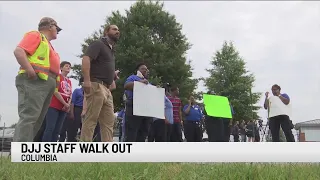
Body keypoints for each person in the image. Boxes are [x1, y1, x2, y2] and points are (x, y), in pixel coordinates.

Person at [13, 17, 62, 142]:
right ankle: (20, 153)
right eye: (57, 28)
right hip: (35, 81)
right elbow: (19, 51)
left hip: (45, 83)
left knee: (37, 119)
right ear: (50, 26)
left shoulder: (47, 43)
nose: (58, 31)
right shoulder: (36, 35)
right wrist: (29, 70)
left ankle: (26, 150)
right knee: (29, 117)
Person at [80, 24, 120, 142]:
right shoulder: (98, 44)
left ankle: (108, 155)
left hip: (107, 89)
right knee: (91, 119)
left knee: (109, 122)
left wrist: (112, 75)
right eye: (114, 29)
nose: (117, 31)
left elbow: (102, 66)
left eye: (118, 30)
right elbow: (86, 59)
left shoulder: (111, 50)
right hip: (96, 85)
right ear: (106, 32)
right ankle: (84, 151)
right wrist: (86, 80)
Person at [42, 61, 72, 142]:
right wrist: (65, 103)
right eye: (66, 66)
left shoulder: (69, 81)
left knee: (57, 129)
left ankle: (54, 147)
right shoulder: (58, 77)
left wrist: (68, 104)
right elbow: (55, 91)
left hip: (64, 108)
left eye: (69, 66)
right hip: (54, 106)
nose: (68, 67)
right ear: (61, 68)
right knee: (50, 128)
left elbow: (70, 94)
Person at [124, 63, 152, 142]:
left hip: (145, 109)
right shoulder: (133, 77)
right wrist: (140, 82)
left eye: (147, 69)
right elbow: (126, 86)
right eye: (143, 68)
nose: (146, 70)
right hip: (134, 106)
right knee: (132, 132)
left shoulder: (148, 83)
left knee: (143, 132)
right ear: (138, 70)